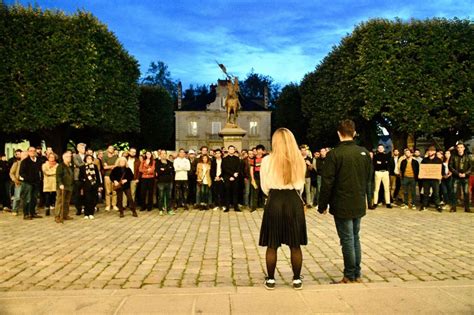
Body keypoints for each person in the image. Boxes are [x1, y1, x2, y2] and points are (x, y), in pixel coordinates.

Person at [318, 119, 371, 284]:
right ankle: (357, 273)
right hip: (358, 201)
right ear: (354, 133)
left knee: (347, 239)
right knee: (355, 237)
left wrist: (322, 205)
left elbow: (327, 182)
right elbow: (368, 178)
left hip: (342, 202)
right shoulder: (363, 153)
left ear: (339, 133)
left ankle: (349, 274)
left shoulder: (334, 154)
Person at [259, 128, 307, 290]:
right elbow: (301, 185)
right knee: (295, 244)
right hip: (293, 200)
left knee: (272, 243)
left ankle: (271, 279)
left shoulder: (267, 160)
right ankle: (296, 279)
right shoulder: (299, 160)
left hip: (275, 200)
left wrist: (272, 194)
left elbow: (264, 186)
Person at [19, 146, 43, 220]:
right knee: (27, 199)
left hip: (36, 183)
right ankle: (26, 214)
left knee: (34, 199)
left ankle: (32, 213)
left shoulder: (38, 160)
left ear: (35, 152)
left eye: (34, 150)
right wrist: (28, 179)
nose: (32, 152)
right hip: (27, 183)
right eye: (30, 151)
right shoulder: (25, 161)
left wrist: (40, 179)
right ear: (28, 152)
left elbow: (40, 171)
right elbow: (21, 173)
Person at [449, 142, 471, 212]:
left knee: (466, 192)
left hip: (465, 177)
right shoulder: (453, 156)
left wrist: (466, 173)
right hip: (456, 177)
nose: (460, 149)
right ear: (456, 148)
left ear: (464, 148)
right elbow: (450, 166)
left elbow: (471, 167)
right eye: (458, 147)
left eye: (461, 147)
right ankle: (453, 207)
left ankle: (467, 208)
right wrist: (457, 173)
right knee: (454, 192)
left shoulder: (468, 156)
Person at [420, 146, 444, 212]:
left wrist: (441, 175)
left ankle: (438, 205)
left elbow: (442, 169)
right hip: (426, 180)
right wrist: (421, 175)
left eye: (431, 151)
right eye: (429, 151)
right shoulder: (424, 160)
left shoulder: (438, 160)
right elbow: (421, 169)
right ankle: (424, 205)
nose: (430, 152)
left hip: (435, 179)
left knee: (436, 193)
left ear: (434, 152)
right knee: (426, 193)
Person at [78, 154, 102, 219]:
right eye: (88, 158)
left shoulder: (95, 166)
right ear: (85, 159)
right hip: (86, 186)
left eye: (90, 158)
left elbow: (97, 176)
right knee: (87, 199)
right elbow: (80, 177)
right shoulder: (82, 167)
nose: (89, 159)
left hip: (94, 185)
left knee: (93, 199)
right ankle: (86, 214)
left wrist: (99, 185)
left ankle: (91, 213)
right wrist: (84, 180)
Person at [55, 151, 74, 223]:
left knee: (67, 201)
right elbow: (58, 176)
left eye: (70, 157)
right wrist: (60, 184)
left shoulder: (70, 166)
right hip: (62, 186)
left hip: (69, 186)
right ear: (64, 158)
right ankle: (57, 216)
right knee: (60, 201)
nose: (69, 158)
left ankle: (65, 214)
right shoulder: (60, 166)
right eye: (68, 157)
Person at [222, 145, 241, 212]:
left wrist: (235, 175)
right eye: (230, 149)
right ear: (228, 150)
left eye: (233, 149)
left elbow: (239, 168)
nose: (231, 150)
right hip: (228, 177)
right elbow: (224, 169)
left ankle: (236, 207)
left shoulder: (237, 158)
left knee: (235, 192)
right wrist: (232, 175)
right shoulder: (224, 159)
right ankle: (227, 207)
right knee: (227, 193)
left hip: (235, 178)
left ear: (234, 150)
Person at [373, 144, 392, 209]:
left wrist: (380, 163)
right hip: (378, 172)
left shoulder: (387, 156)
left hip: (385, 173)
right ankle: (375, 203)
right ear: (378, 149)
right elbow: (375, 165)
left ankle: (388, 203)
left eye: (382, 148)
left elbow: (387, 164)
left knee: (387, 189)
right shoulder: (375, 156)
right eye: (379, 148)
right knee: (376, 189)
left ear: (384, 149)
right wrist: (382, 163)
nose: (380, 149)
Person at [156, 150, 175, 216]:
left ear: (166, 154)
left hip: (169, 182)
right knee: (161, 196)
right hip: (161, 182)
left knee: (169, 196)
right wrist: (166, 170)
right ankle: (161, 210)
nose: (163, 155)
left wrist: (164, 169)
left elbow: (171, 170)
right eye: (162, 153)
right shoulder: (157, 162)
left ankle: (169, 209)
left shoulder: (170, 162)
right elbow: (158, 171)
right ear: (160, 155)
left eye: (165, 153)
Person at [9, 151, 27, 216]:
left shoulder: (29, 163)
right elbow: (11, 173)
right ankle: (14, 210)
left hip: (27, 182)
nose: (25, 156)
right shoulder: (17, 163)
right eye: (24, 155)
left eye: (26, 155)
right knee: (17, 197)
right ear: (21, 156)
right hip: (19, 182)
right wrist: (15, 180)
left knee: (27, 197)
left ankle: (27, 210)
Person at [250, 144, 266, 212]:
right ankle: (254, 207)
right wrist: (252, 179)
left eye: (261, 150)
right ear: (256, 151)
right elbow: (251, 169)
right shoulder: (253, 159)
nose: (259, 151)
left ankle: (264, 206)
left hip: (264, 177)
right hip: (256, 176)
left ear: (263, 151)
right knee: (255, 192)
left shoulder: (265, 158)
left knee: (264, 192)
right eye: (258, 150)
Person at [103, 145, 118, 211]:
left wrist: (110, 166)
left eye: (112, 148)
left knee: (114, 191)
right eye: (110, 148)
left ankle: (114, 205)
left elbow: (117, 166)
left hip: (115, 176)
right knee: (108, 191)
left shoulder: (116, 157)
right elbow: (105, 167)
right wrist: (113, 166)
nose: (111, 149)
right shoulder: (104, 157)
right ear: (107, 149)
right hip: (107, 176)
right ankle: (108, 205)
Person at [73, 143, 86, 215]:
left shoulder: (87, 156)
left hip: (86, 177)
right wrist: (86, 163)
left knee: (85, 193)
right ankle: (78, 208)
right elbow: (78, 164)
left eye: (84, 148)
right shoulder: (75, 156)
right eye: (82, 148)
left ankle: (85, 207)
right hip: (77, 177)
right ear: (78, 149)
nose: (83, 149)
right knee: (77, 194)